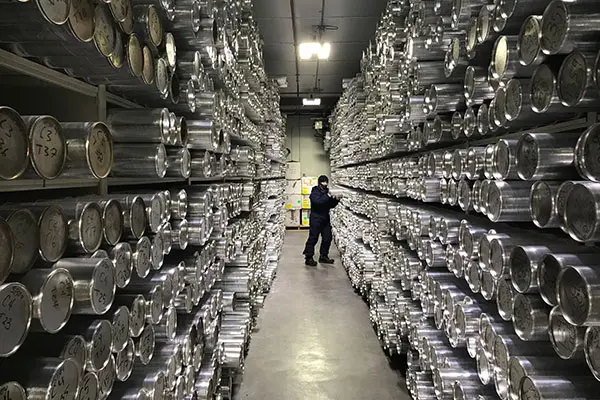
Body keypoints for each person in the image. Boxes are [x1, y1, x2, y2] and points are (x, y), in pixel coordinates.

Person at [302, 175, 340, 266]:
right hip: (316, 218)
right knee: (313, 238)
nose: (325, 184)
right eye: (323, 182)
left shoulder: (327, 191)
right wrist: (327, 195)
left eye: (326, 182)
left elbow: (330, 205)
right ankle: (308, 257)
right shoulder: (315, 191)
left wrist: (336, 200)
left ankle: (323, 256)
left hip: (325, 218)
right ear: (319, 183)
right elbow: (318, 202)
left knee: (327, 238)